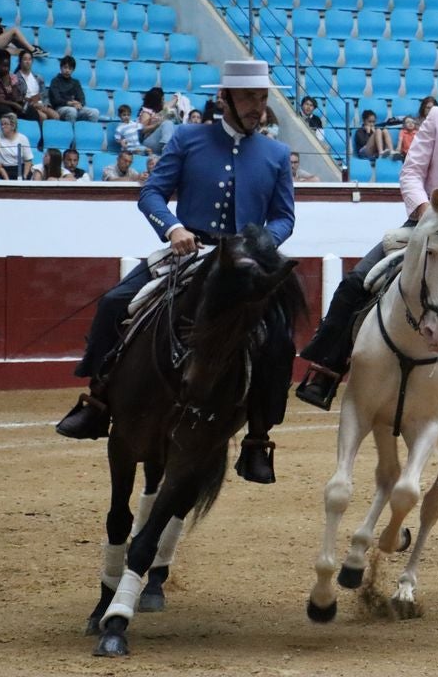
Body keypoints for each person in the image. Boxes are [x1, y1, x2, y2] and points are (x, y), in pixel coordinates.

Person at [56, 60, 295, 485]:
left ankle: (258, 437)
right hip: (189, 250)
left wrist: (259, 243)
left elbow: (284, 218)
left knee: (279, 339)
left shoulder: (276, 154)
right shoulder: (188, 138)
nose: (258, 107)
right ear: (224, 98)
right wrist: (174, 228)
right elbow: (151, 193)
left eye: (262, 98)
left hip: (244, 265)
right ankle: (97, 402)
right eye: (248, 98)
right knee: (114, 303)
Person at [295, 50, 438, 451]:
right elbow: (411, 173)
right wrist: (426, 214)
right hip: (421, 228)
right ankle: (327, 368)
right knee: (357, 281)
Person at [49, 56, 99, 122]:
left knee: (95, 112)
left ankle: (89, 129)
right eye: (65, 67)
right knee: (72, 111)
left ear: (73, 70)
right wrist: (69, 103)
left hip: (75, 107)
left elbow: (82, 99)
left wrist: (79, 103)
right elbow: (56, 100)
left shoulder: (76, 82)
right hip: (59, 108)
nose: (67, 70)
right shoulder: (55, 81)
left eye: (70, 68)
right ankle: (70, 128)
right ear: (61, 68)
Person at [14, 50, 59, 122]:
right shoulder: (16, 78)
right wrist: (33, 103)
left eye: (29, 59)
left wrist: (45, 104)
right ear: (20, 61)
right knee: (43, 116)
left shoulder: (38, 77)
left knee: (56, 116)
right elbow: (18, 97)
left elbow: (44, 95)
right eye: (25, 59)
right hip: (27, 105)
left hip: (40, 104)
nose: (28, 62)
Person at [0, 51, 28, 120]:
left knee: (28, 109)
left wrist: (23, 100)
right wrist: (13, 104)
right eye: (3, 66)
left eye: (8, 66)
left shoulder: (12, 77)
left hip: (8, 102)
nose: (6, 69)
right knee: (8, 111)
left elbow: (14, 97)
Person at [0, 112, 34, 180]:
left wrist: (25, 175)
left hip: (20, 168)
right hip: (4, 169)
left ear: (13, 126)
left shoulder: (23, 138)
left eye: (5, 124)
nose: (2, 127)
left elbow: (28, 160)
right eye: (1, 124)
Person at [137, 87, 177, 154]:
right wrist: (157, 124)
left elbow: (171, 104)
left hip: (159, 141)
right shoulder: (146, 112)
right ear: (157, 101)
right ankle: (168, 148)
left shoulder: (160, 109)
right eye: (162, 99)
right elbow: (142, 130)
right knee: (167, 123)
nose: (163, 101)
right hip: (148, 142)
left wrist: (177, 97)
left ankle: (168, 147)